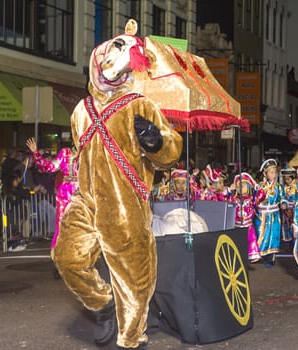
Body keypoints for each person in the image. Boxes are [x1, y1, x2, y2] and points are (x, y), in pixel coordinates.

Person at [51, 20, 183, 350]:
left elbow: (171, 150)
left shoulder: (140, 104)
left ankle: (131, 338)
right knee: (67, 258)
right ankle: (104, 305)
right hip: (85, 203)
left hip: (125, 206)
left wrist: (155, 143)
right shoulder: (81, 110)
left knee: (134, 281)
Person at [26, 137, 78, 249]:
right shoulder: (66, 153)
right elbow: (48, 167)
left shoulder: (91, 152)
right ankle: (60, 251)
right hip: (67, 193)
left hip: (85, 192)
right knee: (63, 223)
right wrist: (36, 153)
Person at [254, 159, 286, 267]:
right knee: (261, 235)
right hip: (262, 215)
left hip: (274, 214)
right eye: (271, 172)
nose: (274, 174)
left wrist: (283, 203)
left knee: (273, 235)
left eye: (275, 172)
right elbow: (255, 199)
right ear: (265, 173)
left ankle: (270, 257)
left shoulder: (278, 187)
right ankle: (262, 254)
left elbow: (283, 198)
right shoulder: (259, 186)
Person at [230, 172, 265, 263]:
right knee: (237, 242)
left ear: (249, 187)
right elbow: (225, 200)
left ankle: (252, 255)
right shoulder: (234, 198)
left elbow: (262, 197)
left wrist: (258, 189)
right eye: (238, 186)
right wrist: (230, 192)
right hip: (236, 225)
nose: (240, 188)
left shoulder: (251, 199)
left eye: (243, 186)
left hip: (248, 225)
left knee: (251, 240)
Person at [280, 164, 298, 247]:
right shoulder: (283, 187)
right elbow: (282, 196)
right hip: (287, 209)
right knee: (287, 225)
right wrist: (284, 203)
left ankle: (295, 242)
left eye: (288, 179)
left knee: (295, 225)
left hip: (295, 209)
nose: (286, 181)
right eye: (285, 179)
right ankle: (288, 241)